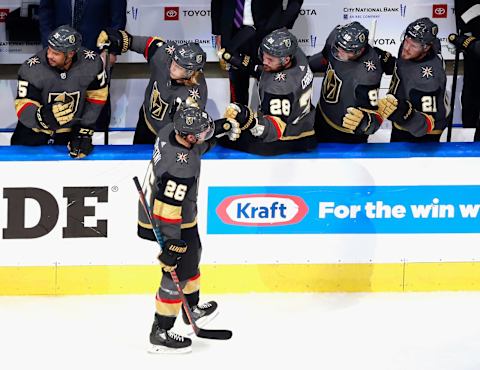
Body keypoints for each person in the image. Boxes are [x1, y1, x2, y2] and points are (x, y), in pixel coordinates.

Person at [137, 105, 240, 353]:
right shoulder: (180, 167)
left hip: (182, 216)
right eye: (202, 133)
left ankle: (190, 307)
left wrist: (221, 127)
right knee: (175, 275)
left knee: (193, 256)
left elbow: (198, 145)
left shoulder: (170, 130)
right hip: (168, 221)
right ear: (189, 137)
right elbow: (167, 207)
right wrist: (172, 246)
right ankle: (160, 331)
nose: (204, 136)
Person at [12, 25, 107, 159]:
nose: (49, 55)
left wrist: (83, 131)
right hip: (33, 134)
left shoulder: (92, 64)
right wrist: (42, 117)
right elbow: (22, 105)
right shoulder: (31, 68)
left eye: (56, 53)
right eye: (49, 49)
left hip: (69, 134)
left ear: (70, 54)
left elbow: (97, 98)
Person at [97, 29, 208, 144]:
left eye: (179, 67)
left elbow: (191, 131)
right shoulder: (165, 56)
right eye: (174, 62)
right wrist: (118, 38)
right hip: (146, 121)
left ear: (191, 73)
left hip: (169, 136)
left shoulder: (194, 96)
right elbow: (142, 44)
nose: (173, 67)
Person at [217, 28, 316, 155]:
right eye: (264, 55)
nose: (264, 61)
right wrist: (241, 61)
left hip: (288, 136)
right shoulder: (297, 54)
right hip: (305, 124)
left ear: (286, 60)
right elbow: (265, 70)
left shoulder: (278, 89)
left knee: (226, 139)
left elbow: (275, 130)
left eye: (270, 59)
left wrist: (248, 119)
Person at [39, 0, 127, 135]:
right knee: (61, 100)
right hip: (60, 53)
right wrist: (50, 48)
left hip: (97, 53)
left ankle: (95, 144)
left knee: (96, 102)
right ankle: (61, 139)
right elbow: (45, 15)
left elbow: (118, 18)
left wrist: (111, 51)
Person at [308, 21, 395, 143]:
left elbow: (371, 120)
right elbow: (324, 57)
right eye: (339, 46)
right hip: (322, 115)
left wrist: (365, 122)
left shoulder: (368, 75)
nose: (339, 52)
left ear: (359, 51)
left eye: (346, 50)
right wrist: (304, 66)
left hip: (345, 134)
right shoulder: (336, 37)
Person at [211, 0, 303, 105]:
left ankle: (270, 118)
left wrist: (283, 23)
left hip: (268, 32)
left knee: (270, 82)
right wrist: (218, 31)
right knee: (237, 86)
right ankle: (239, 117)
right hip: (233, 32)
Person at [378, 17, 447, 142]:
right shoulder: (415, 46)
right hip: (406, 111)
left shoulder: (429, 81)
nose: (406, 48)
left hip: (424, 131)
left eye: (413, 46)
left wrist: (403, 113)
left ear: (426, 48)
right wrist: (387, 61)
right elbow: (404, 68)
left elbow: (426, 124)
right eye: (406, 41)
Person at [450, 0, 480, 140]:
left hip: (474, 45)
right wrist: (465, 41)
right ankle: (469, 129)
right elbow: (464, 25)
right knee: (471, 91)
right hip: (473, 52)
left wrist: (468, 43)